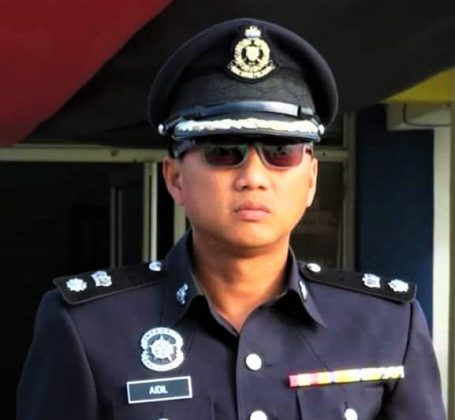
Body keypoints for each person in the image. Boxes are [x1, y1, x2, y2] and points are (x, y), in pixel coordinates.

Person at [17, 18, 445, 420]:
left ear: (311, 179)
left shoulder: (387, 325)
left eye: (280, 153)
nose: (253, 177)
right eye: (223, 152)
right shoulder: (88, 326)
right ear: (175, 178)